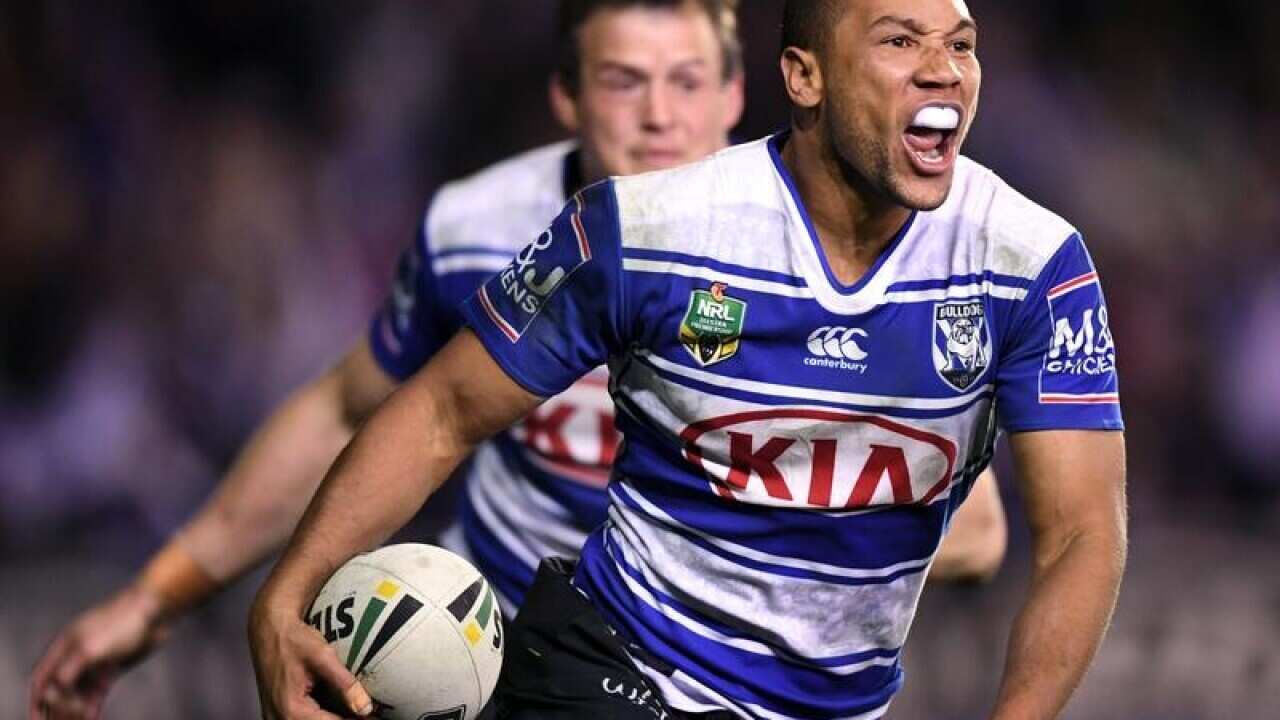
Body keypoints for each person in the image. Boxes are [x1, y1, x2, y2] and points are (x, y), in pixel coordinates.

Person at [28, 2, 1010, 719]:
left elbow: (974, 534)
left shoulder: (833, 260)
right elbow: (349, 414)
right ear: (567, 97)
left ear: (732, 97)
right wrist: (156, 598)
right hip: (478, 657)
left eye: (685, 82)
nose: (657, 116)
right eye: (622, 81)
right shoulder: (477, 230)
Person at [248, 0, 1126, 718]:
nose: (943, 70)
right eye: (901, 41)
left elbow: (1082, 532)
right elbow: (443, 411)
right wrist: (285, 599)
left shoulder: (1032, 266)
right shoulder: (645, 231)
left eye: (961, 44)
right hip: (614, 672)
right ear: (805, 77)